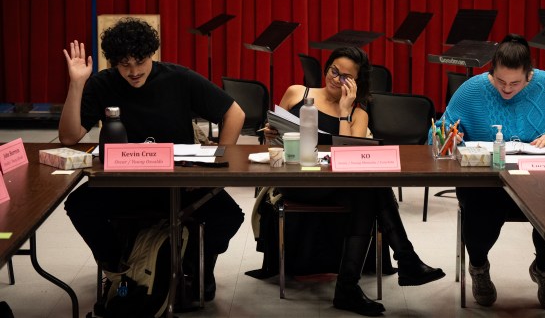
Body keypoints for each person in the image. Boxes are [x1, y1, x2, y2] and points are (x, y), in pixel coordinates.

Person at [59, 18, 246, 306]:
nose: (133, 72)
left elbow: (235, 113)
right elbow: (70, 137)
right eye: (124, 64)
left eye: (140, 61)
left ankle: (197, 266)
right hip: (125, 186)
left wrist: (217, 161)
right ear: (113, 62)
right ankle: (120, 268)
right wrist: (77, 84)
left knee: (229, 215)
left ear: (152, 54)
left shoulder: (178, 78)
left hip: (179, 184)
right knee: (79, 206)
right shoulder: (102, 84)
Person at [260, 47, 445, 316]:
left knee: (367, 188)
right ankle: (402, 260)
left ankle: (356, 284)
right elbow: (273, 142)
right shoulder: (297, 92)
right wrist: (271, 135)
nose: (336, 79)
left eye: (346, 77)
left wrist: (345, 112)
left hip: (335, 184)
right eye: (334, 71)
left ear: (357, 83)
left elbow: (350, 162)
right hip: (296, 180)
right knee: (371, 190)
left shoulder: (359, 115)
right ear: (326, 68)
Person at [431, 33, 545, 309]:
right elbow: (442, 131)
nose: (506, 89)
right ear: (492, 70)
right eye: (500, 81)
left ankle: (543, 269)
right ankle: (478, 268)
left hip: (540, 182)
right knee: (479, 212)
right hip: (487, 183)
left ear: (530, 74)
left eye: (515, 83)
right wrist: (450, 138)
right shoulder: (471, 90)